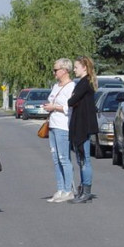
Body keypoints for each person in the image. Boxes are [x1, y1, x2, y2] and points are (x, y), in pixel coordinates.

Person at [43, 58, 76, 203]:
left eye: (56, 70)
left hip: (63, 126)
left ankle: (69, 190)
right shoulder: (56, 86)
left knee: (64, 158)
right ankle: (60, 188)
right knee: (56, 158)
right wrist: (49, 106)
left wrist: (54, 107)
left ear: (64, 70)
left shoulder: (71, 87)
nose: (54, 72)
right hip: (52, 124)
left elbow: (70, 108)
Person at [67, 56, 99, 204]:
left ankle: (86, 191)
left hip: (83, 126)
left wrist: (73, 98)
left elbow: (71, 100)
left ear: (84, 67)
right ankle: (83, 189)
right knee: (81, 159)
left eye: (76, 67)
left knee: (85, 159)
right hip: (80, 125)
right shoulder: (83, 82)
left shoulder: (84, 83)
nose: (74, 69)